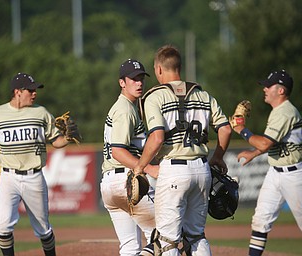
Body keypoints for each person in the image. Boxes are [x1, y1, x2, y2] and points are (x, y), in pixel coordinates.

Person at [134, 45, 232, 256]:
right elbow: (225, 128)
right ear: (178, 67)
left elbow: (157, 137)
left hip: (174, 169)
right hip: (202, 168)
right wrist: (218, 156)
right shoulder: (203, 95)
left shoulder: (155, 97)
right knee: (196, 235)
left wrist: (140, 167)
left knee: (167, 240)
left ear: (159, 69)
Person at [0, 72, 75, 256]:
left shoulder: (40, 112)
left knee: (43, 229)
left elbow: (55, 141)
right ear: (17, 92)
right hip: (8, 177)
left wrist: (69, 138)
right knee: (3, 225)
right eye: (30, 90)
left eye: (35, 90)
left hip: (34, 177)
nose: (35, 93)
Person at [232, 69, 302, 256]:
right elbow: (270, 144)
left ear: (280, 90)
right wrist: (254, 154)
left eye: (268, 86)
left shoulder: (285, 112)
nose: (264, 89)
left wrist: (242, 130)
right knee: (260, 220)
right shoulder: (278, 111)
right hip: (275, 172)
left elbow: (264, 143)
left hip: (294, 175)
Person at [101, 59, 158, 256]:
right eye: (133, 79)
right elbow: (118, 151)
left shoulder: (128, 107)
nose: (139, 83)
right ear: (122, 82)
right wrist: (149, 168)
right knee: (164, 236)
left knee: (130, 247)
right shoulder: (125, 110)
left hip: (111, 183)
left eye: (141, 78)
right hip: (126, 181)